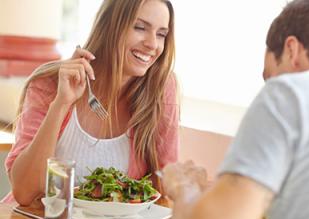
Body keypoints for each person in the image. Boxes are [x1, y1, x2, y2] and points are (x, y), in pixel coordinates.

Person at [162, 0, 309, 219]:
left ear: (291, 50)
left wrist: (183, 186)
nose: (268, 88)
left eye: (269, 77)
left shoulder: (290, 92)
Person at [3, 0, 178, 206]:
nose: (152, 44)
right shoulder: (49, 85)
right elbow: (25, 192)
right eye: (140, 27)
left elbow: (165, 183)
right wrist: (61, 104)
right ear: (109, 26)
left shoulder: (160, 88)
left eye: (161, 34)